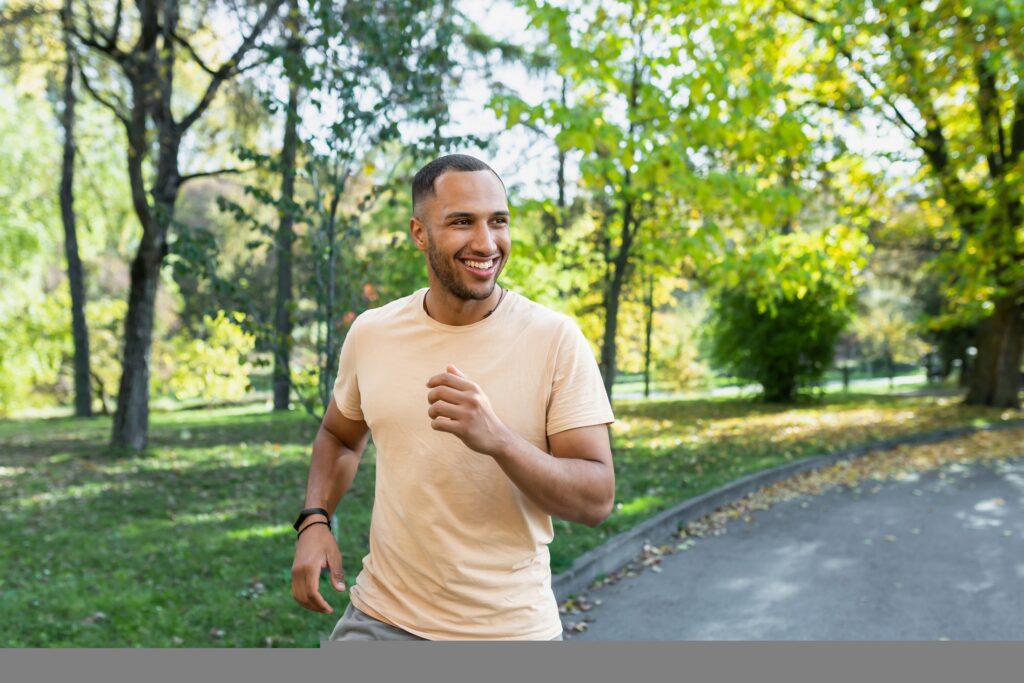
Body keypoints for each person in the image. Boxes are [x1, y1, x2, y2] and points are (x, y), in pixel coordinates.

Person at [290, 154, 616, 641]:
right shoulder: (373, 332)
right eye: (462, 222)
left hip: (509, 632)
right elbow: (339, 436)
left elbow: (596, 499)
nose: (486, 243)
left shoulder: (554, 339)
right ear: (420, 233)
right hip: (382, 621)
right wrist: (314, 519)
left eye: (498, 221)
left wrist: (499, 440)